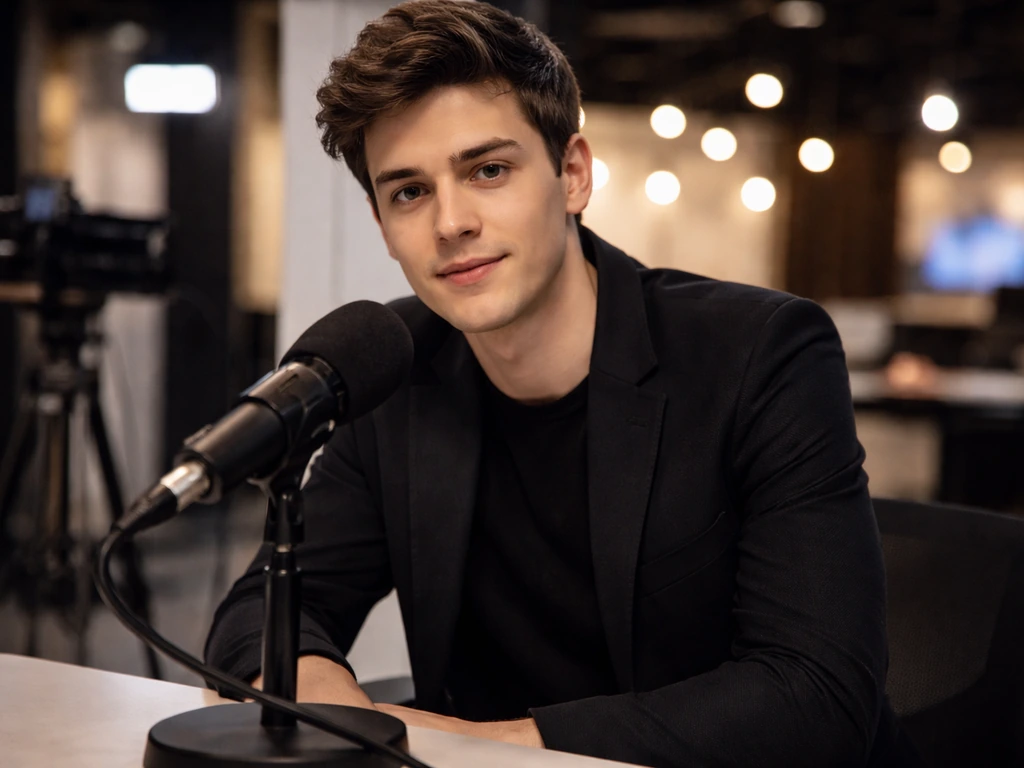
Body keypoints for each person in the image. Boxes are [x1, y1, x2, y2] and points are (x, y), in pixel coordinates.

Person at [206, 2, 918, 765]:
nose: (451, 223)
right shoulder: (398, 367)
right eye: (409, 191)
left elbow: (818, 695)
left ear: (572, 174)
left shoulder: (758, 354)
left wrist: (483, 745)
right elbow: (260, 616)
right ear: (383, 225)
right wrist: (340, 710)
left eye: (488, 170)